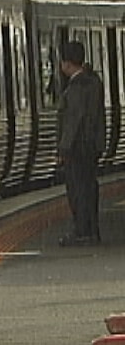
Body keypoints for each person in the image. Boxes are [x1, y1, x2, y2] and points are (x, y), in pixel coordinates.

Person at [56, 41, 105, 247]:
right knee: (89, 187)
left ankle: (82, 231)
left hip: (77, 148)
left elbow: (73, 120)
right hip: (91, 146)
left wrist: (63, 149)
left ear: (67, 63)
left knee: (78, 190)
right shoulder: (94, 82)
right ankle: (91, 230)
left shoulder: (76, 88)